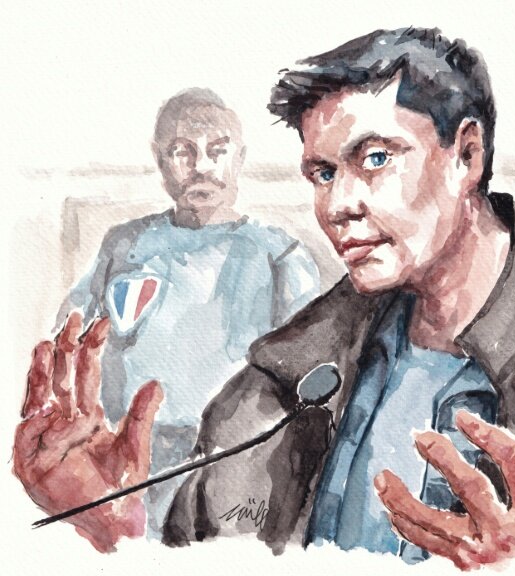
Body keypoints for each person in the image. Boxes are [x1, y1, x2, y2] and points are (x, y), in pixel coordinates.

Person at [14, 29, 515, 569]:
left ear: (467, 156)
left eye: (375, 158)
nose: (338, 205)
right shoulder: (280, 382)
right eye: (323, 173)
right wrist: (124, 532)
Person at [48, 88, 322, 539]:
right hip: (127, 457)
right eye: (182, 151)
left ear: (239, 158)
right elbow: (69, 330)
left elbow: (310, 369)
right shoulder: (125, 244)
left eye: (217, 151)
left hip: (234, 457)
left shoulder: (278, 254)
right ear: (160, 160)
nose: (201, 166)